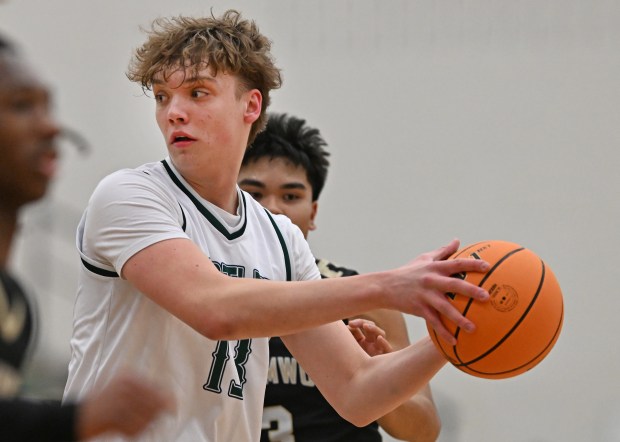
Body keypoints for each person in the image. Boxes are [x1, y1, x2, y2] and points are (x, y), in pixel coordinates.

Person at [63, 9, 490, 442]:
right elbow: (216, 310)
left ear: (250, 105)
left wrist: (453, 334)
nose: (174, 111)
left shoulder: (281, 240)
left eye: (197, 92)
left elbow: (358, 392)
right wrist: (386, 286)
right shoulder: (128, 196)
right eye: (161, 96)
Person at [0, 32, 173, 440]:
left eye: (48, 105)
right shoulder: (124, 198)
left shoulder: (15, 302)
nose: (50, 126)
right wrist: (73, 420)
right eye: (22, 105)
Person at [238, 112, 440, 441]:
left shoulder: (361, 298)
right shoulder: (204, 293)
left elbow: (423, 430)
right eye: (254, 194)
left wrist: (383, 378)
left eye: (291, 196)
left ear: (313, 212)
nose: (272, 209)